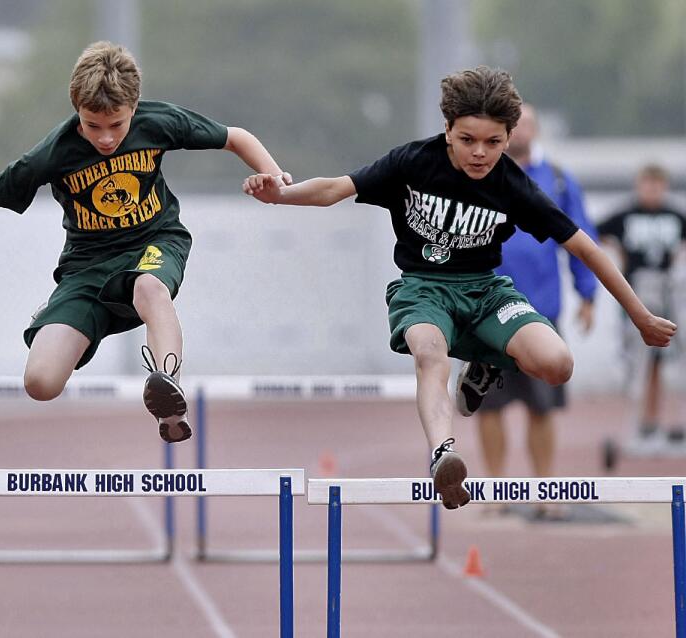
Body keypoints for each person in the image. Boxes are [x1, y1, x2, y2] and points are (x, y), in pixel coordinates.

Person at [243, 66, 675, 509]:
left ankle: (488, 362)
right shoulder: (413, 162)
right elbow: (335, 188)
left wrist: (639, 314)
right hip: (423, 290)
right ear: (447, 129)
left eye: (493, 143)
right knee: (430, 355)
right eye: (468, 140)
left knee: (558, 363)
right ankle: (443, 454)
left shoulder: (513, 185)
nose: (479, 154)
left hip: (486, 292)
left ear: (510, 138)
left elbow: (585, 247)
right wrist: (281, 194)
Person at [0, 41, 287, 443]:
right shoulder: (55, 151)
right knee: (41, 382)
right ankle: (64, 316)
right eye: (93, 126)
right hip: (87, 267)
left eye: (117, 125)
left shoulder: (157, 121)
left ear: (134, 108)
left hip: (155, 241)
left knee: (148, 285)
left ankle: (168, 393)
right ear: (77, 112)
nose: (106, 138)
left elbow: (236, 136)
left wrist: (275, 176)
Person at [475, 104, 598, 512]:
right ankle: (493, 492)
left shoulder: (559, 181)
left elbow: (582, 240)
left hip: (542, 312)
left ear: (536, 130)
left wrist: (588, 295)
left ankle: (544, 490)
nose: (521, 131)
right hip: (487, 312)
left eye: (527, 124)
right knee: (488, 406)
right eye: (515, 125)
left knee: (541, 408)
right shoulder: (480, 174)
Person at [597, 164, 686, 452]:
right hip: (635, 294)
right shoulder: (625, 215)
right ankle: (633, 422)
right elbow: (592, 232)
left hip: (666, 292)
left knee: (662, 359)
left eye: (657, 186)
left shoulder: (674, 215)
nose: (652, 191)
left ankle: (653, 421)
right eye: (647, 185)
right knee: (635, 358)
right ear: (639, 185)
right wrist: (616, 253)